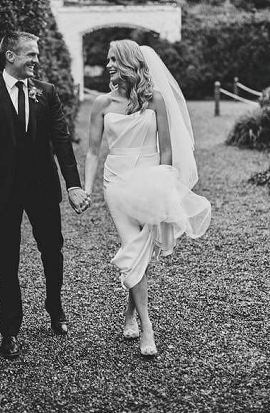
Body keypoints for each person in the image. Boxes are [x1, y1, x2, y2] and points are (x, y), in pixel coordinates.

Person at [0, 31, 91, 359]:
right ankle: (9, 330)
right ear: (11, 56)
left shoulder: (46, 92)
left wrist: (73, 185)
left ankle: (55, 308)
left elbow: (61, 139)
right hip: (3, 191)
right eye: (31, 54)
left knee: (52, 250)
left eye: (36, 54)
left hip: (42, 187)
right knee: (6, 260)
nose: (37, 59)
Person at [83, 40, 211, 357]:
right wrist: (86, 189)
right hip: (116, 183)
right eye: (108, 59)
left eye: (113, 59)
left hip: (151, 179)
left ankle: (130, 313)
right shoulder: (101, 103)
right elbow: (93, 151)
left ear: (128, 62)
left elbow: (166, 149)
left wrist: (165, 187)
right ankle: (147, 326)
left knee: (142, 251)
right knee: (133, 246)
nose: (108, 64)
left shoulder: (155, 99)